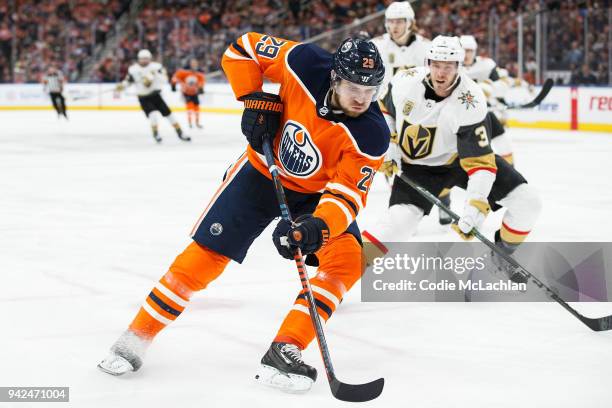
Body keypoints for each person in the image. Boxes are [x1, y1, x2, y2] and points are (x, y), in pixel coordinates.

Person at [98, 33, 389, 393]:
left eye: (370, 90)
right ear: (334, 76)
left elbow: (346, 195)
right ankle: (135, 337)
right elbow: (243, 48)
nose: (362, 98)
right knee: (207, 254)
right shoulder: (302, 62)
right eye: (353, 88)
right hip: (259, 173)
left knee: (345, 262)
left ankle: (286, 348)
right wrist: (252, 98)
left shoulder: (373, 134)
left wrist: (317, 227)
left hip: (316, 196)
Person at [362, 35, 542, 283]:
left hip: (458, 160)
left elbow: (479, 162)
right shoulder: (405, 82)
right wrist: (389, 143)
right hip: (416, 169)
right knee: (396, 227)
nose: (441, 72)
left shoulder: (471, 99)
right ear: (428, 62)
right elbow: (382, 111)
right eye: (436, 64)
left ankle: (500, 258)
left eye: (448, 66)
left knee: (528, 202)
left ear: (458, 66)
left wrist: (475, 206)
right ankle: (342, 271)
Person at [115, 49, 189, 143]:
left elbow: (164, 80)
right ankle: (156, 134)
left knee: (169, 115)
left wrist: (154, 75)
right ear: (138, 59)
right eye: (142, 59)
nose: (144, 61)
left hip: (156, 95)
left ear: (150, 59)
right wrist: (122, 86)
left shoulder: (156, 67)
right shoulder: (133, 69)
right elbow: (129, 81)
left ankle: (180, 132)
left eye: (146, 58)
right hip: (143, 97)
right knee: (153, 115)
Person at [371, 1, 430, 88]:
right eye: (391, 21)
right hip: (383, 100)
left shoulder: (427, 47)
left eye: (399, 22)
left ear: (410, 23)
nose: (394, 26)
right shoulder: (376, 46)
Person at [171, 58, 206, 129]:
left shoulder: (199, 73)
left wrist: (201, 88)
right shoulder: (183, 72)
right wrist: (173, 85)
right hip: (186, 93)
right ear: (189, 64)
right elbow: (175, 78)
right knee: (189, 107)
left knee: (197, 108)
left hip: (194, 93)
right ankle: (190, 123)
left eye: (195, 63)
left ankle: (197, 123)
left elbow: (201, 81)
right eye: (193, 63)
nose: (194, 65)